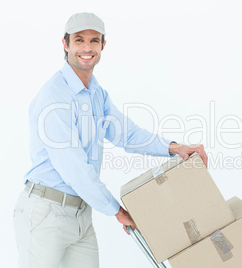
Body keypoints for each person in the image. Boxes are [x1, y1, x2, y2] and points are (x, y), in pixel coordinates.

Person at [13, 12, 208, 268]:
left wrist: (175, 148)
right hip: (45, 214)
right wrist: (117, 211)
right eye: (79, 40)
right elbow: (75, 168)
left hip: (81, 213)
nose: (87, 48)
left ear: (103, 46)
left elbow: (126, 133)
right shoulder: (55, 98)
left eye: (94, 41)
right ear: (65, 44)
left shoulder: (96, 93)